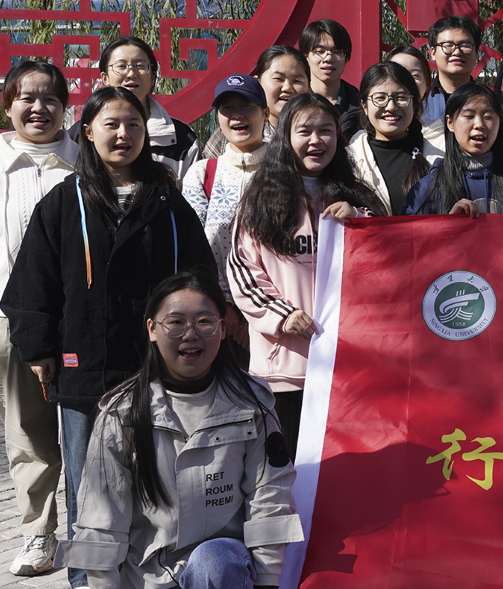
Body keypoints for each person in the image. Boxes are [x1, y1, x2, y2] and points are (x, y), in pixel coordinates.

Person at [3, 87, 215, 589]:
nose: (123, 135)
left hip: (153, 358)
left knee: (156, 464)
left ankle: (152, 559)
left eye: (133, 125)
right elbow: (33, 282)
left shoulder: (167, 202)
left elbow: (197, 274)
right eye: (112, 125)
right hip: (84, 359)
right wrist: (40, 348)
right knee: (87, 471)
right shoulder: (65, 201)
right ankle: (88, 571)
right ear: (88, 133)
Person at [62, 272, 300, 589]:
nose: (191, 334)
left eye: (205, 321)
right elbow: (99, 517)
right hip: (156, 579)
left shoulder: (252, 404)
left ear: (224, 327)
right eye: (175, 322)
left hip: (225, 570)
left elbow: (269, 502)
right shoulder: (122, 413)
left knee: (214, 560)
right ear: (152, 329)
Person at [0, 61, 80, 578]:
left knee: (91, 425)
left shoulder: (86, 162)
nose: (39, 107)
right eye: (27, 97)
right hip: (7, 320)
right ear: (7, 106)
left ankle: (94, 538)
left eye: (50, 98)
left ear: (65, 107)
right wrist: (1, 295)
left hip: (80, 316)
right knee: (26, 429)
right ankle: (38, 533)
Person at [230, 95, 384, 444]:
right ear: (286, 136)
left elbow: (386, 263)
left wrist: (360, 220)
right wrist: (283, 316)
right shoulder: (259, 200)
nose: (316, 140)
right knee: (287, 466)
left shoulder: (355, 198)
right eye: (305, 131)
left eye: (326, 131)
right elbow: (242, 269)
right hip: (284, 369)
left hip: (348, 368)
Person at [183, 74, 269, 285]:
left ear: (266, 114)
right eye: (227, 108)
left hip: (277, 300)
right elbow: (192, 247)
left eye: (247, 105)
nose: (237, 115)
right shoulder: (202, 174)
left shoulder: (286, 171)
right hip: (216, 299)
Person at [405, 84, 503, 216]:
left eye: (488, 117)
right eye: (469, 116)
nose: (479, 125)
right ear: (450, 123)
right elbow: (411, 232)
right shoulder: (427, 189)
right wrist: (448, 223)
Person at [70, 36, 200, 177]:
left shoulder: (181, 137)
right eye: (121, 66)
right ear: (105, 78)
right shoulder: (78, 134)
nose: (131, 74)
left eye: (140, 66)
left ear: (152, 78)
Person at [346, 62, 441, 217]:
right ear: (364, 106)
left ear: (414, 104)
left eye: (401, 98)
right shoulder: (349, 159)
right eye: (380, 98)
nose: (391, 107)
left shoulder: (439, 152)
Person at [298, 19, 361, 140]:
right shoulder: (293, 102)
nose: (328, 58)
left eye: (337, 52)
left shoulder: (362, 107)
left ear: (346, 59)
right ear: (306, 57)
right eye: (320, 51)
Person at [424, 14, 484, 122]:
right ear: (433, 53)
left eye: (465, 45)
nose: (457, 52)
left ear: (476, 53)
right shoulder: (420, 100)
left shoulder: (488, 101)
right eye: (448, 45)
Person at [253, 46, 309, 142]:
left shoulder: (320, 134)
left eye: (297, 81)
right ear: (257, 83)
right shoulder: (239, 134)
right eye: (278, 79)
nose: (288, 88)